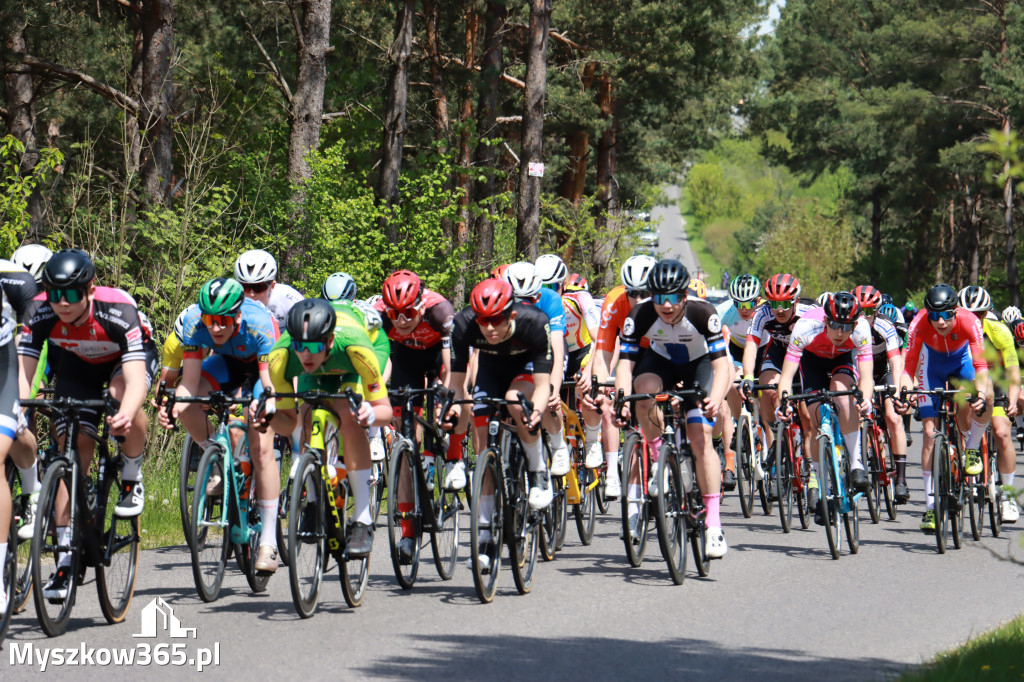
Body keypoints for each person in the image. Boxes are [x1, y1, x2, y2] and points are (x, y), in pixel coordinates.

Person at [19, 250, 158, 599]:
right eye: (55, 294)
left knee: (120, 398)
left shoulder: (117, 310)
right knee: (72, 444)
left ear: (89, 290)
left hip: (123, 364)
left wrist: (125, 411)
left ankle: (131, 473)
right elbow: (23, 375)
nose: (62, 304)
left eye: (71, 295)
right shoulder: (39, 311)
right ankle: (65, 559)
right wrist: (17, 411)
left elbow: (137, 382)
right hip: (78, 363)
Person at [159, 277, 281, 572]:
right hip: (227, 363)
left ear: (237, 315)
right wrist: (174, 406)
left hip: (262, 368)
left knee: (261, 446)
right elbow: (188, 383)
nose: (216, 327)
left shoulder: (259, 323)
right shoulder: (192, 323)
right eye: (210, 320)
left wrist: (263, 401)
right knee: (186, 404)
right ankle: (216, 454)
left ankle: (268, 541)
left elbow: (269, 385)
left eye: (224, 320)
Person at [614, 259, 731, 558]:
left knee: (700, 435)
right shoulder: (639, 315)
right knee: (643, 391)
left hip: (700, 365)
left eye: (673, 298)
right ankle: (658, 462)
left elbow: (722, 366)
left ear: (684, 295)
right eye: (659, 298)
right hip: (661, 361)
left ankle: (713, 524)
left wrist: (715, 399)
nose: (666, 306)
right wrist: (621, 398)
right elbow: (625, 365)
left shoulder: (703, 313)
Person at [264, 298, 392, 558]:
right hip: (324, 367)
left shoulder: (355, 346)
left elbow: (385, 412)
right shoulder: (283, 356)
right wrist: (268, 419)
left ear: (329, 341)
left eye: (313, 346)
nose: (306, 354)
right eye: (300, 346)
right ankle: (314, 499)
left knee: (349, 412)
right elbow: (288, 424)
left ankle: (363, 518)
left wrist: (370, 413)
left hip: (360, 351)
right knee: (307, 410)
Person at [446, 278, 554, 571]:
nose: (490, 328)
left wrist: (538, 410)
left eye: (497, 320)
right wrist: (453, 409)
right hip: (490, 371)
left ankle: (537, 468)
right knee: (483, 448)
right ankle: (484, 541)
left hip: (526, 369)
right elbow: (456, 385)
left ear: (512, 315)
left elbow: (544, 385)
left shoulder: (535, 322)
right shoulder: (463, 324)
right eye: (484, 321)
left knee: (515, 401)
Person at [898, 284, 990, 534]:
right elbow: (908, 367)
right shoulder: (918, 323)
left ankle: (970, 448)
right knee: (929, 434)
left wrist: (980, 394)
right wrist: (904, 394)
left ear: (956, 311)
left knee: (969, 403)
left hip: (962, 365)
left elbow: (981, 365)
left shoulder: (970, 322)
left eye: (946, 315)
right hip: (932, 369)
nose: (940, 321)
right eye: (934, 315)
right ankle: (930, 506)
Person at [777, 293, 874, 524]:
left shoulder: (861, 330)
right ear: (825, 320)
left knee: (843, 395)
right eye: (835, 325)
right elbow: (787, 376)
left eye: (846, 326)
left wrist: (866, 399)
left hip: (842, 360)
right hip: (812, 362)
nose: (840, 332)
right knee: (815, 415)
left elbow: (867, 376)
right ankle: (820, 488)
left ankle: (856, 464)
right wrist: (784, 402)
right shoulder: (805, 327)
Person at [373, 270, 458, 487]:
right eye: (394, 315)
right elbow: (371, 358)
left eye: (409, 313)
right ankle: (415, 462)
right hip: (407, 354)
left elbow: (451, 365)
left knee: (452, 392)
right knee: (405, 423)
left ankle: (452, 455)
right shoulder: (377, 314)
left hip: (438, 351)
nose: (401, 321)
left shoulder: (440, 310)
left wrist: (447, 395)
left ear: (421, 306)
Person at [583, 254, 657, 499]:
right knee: (601, 395)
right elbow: (604, 353)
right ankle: (615, 473)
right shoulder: (614, 302)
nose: (637, 299)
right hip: (630, 349)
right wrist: (599, 387)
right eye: (632, 293)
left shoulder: (665, 302)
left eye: (644, 293)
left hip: (661, 349)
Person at [958, 286, 1020, 523]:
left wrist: (1013, 399)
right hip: (968, 385)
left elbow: (1013, 370)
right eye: (967, 314)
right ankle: (964, 460)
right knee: (960, 413)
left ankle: (1008, 496)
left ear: (987, 313)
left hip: (997, 384)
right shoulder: (955, 333)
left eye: (980, 314)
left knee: (1003, 432)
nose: (974, 319)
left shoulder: (999, 331)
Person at [0, 257, 37, 612]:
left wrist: (25, 402)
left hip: (6, 366)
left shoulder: (13, 280)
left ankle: (32, 483)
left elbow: (34, 343)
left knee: (6, 441)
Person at [234, 249, 304, 330]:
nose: (251, 293)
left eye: (258, 287)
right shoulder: (230, 300)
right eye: (245, 287)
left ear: (272, 286)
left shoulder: (290, 301)